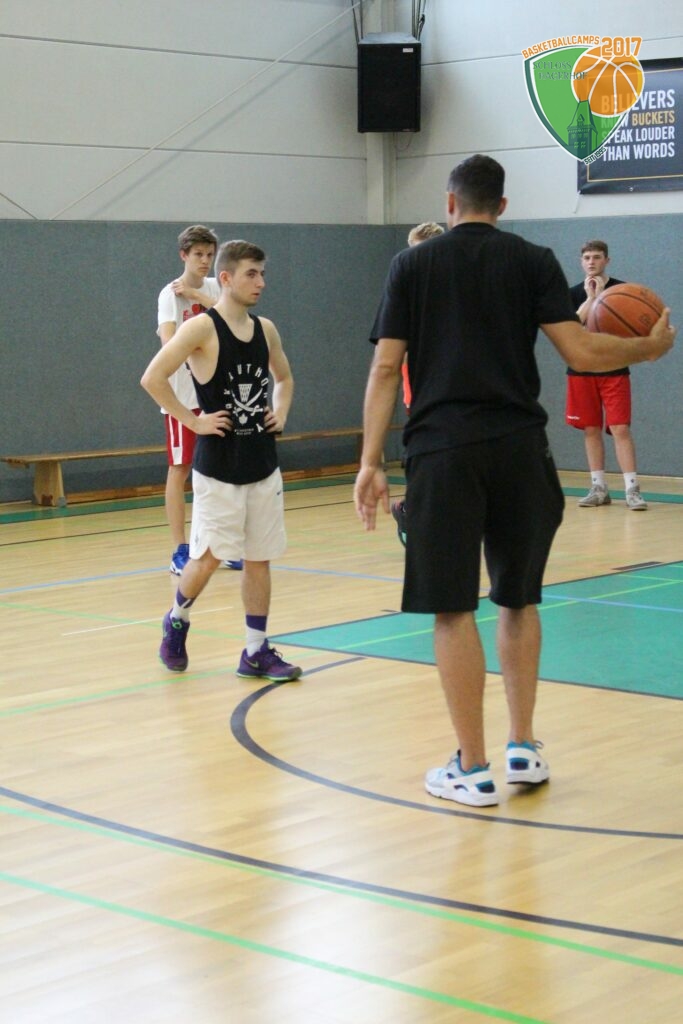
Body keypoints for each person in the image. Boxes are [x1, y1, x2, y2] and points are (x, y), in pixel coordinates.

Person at [354, 154, 675, 807]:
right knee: (518, 601)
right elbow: (581, 351)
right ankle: (522, 747)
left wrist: (368, 461)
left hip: (444, 452)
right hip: (520, 451)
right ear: (502, 206)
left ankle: (472, 769)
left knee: (453, 610)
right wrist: (646, 348)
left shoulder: (411, 265)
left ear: (449, 203)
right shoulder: (532, 259)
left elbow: (386, 369)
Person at [142, 239, 301, 682]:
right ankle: (176, 619)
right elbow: (153, 378)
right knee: (207, 559)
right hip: (218, 469)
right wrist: (192, 421)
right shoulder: (201, 328)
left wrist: (281, 411)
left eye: (263, 274)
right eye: (251, 274)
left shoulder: (266, 329)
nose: (261, 282)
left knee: (259, 558)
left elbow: (285, 378)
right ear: (226, 278)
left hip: (262, 464)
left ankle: (255, 651)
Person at [157, 226, 244, 574]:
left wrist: (197, 294)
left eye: (210, 254)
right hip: (182, 397)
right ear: (184, 255)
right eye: (198, 255)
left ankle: (217, 543)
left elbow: (234, 317)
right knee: (180, 469)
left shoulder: (214, 288)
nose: (205, 260)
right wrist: (198, 344)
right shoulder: (169, 295)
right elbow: (169, 345)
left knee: (221, 471)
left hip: (215, 394)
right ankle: (180, 549)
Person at [566, 240, 647, 510]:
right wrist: (592, 299)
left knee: (620, 428)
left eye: (597, 257)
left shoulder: (623, 291)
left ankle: (632, 490)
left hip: (614, 369)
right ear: (581, 261)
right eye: (587, 257)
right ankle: (599, 488)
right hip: (581, 370)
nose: (591, 262)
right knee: (590, 429)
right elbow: (572, 328)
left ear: (607, 260)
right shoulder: (572, 293)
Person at [391, 221, 445, 547]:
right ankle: (411, 509)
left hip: (454, 383)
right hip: (422, 383)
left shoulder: (453, 286)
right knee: (427, 453)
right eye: (412, 252)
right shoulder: (408, 292)